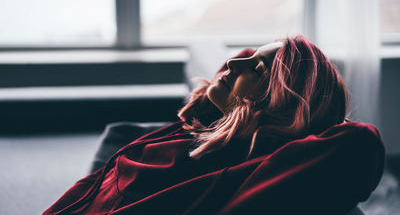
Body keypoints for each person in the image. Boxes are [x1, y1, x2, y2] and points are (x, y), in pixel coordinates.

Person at [43, 36, 384, 215]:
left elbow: (359, 142)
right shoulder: (204, 133)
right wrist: (226, 98)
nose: (235, 61)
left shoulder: (255, 170)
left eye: (258, 69)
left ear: (280, 105)